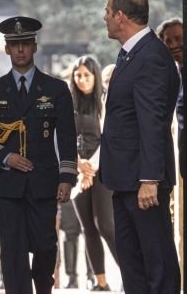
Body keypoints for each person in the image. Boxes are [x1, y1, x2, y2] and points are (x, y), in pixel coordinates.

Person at [0, 16, 77, 294]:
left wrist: (66, 177)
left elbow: (67, 137)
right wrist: (4, 157)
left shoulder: (56, 89)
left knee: (45, 246)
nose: (20, 50)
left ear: (34, 46)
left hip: (43, 182)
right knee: (12, 251)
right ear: (6, 48)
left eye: (25, 43)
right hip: (6, 183)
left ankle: (44, 288)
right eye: (15, 44)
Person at [100, 0, 180, 293]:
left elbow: (152, 122)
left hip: (143, 181)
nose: (104, 18)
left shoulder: (151, 56)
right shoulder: (132, 54)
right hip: (125, 179)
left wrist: (150, 178)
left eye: (107, 12)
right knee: (132, 264)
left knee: (156, 263)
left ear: (120, 16)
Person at [68, 55, 118, 291]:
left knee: (105, 225)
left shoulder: (105, 100)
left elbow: (109, 138)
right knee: (87, 227)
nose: (82, 79)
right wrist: (79, 165)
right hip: (78, 171)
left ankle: (132, 275)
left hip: (102, 169)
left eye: (87, 75)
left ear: (95, 76)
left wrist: (90, 168)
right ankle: (101, 282)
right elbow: (64, 137)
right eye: (78, 75)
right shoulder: (68, 103)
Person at [156, 17, 186, 177]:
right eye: (168, 41)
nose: (173, 45)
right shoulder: (173, 76)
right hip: (186, 156)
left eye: (178, 38)